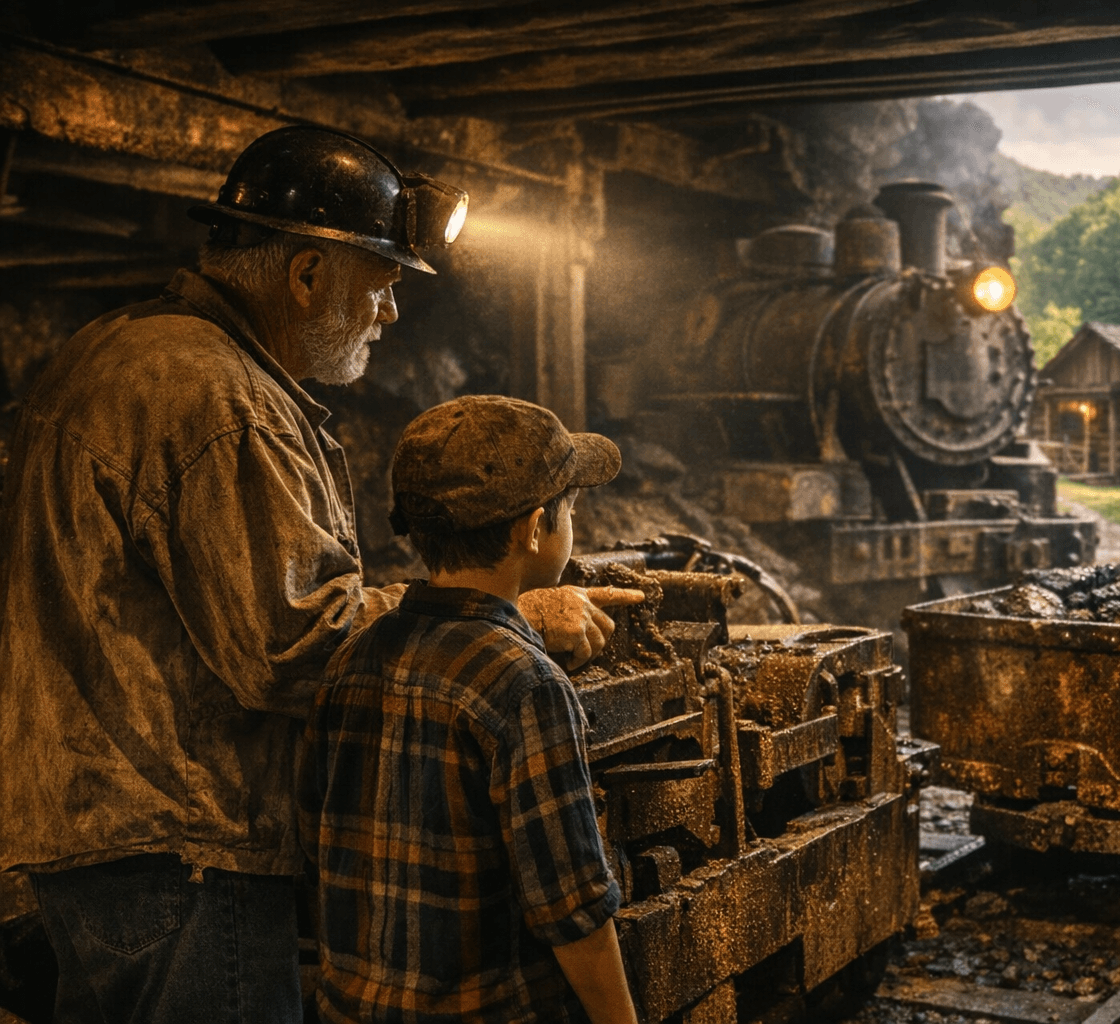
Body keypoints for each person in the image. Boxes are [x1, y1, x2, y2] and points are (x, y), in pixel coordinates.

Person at [0, 126, 625, 1022]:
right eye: (383, 283)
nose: (391, 313)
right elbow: (293, 643)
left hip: (105, 834)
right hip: (185, 848)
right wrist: (499, 614)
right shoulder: (217, 399)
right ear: (305, 273)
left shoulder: (124, 349)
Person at [298, 395, 640, 1024]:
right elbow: (572, 910)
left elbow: (318, 849)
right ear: (532, 530)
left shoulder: (352, 660)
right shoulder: (527, 685)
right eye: (569, 512)